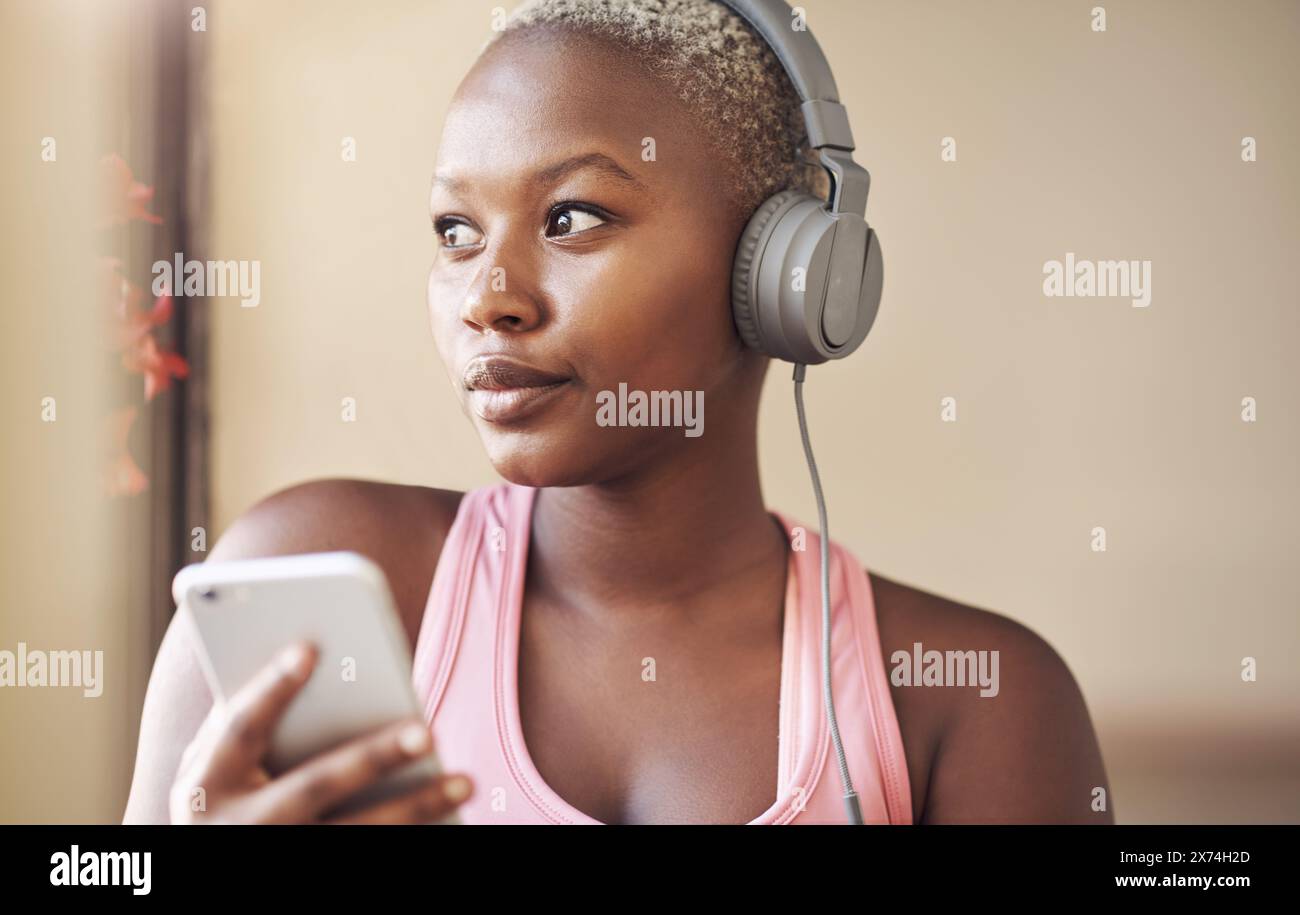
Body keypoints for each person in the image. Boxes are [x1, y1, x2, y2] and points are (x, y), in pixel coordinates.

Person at [123, 0, 1112, 825]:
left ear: (780, 273)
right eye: (456, 231)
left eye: (573, 218)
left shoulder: (973, 696)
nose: (487, 296)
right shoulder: (308, 576)